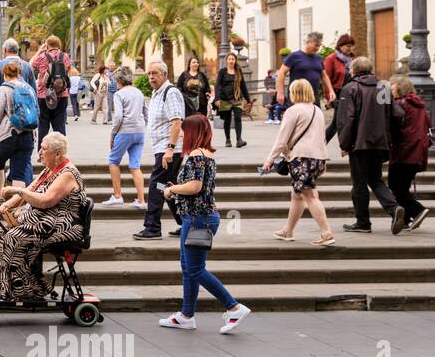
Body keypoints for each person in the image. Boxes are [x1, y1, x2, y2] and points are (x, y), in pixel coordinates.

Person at [160, 114, 251, 333]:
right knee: (188, 268)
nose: (181, 134)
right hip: (197, 216)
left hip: (198, 218)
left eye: (184, 131)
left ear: (193, 132)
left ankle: (234, 307)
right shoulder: (207, 154)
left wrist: (172, 189)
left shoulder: (196, 155)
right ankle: (186, 315)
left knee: (195, 270)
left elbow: (195, 186)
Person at [0, 131, 85, 305]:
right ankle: (31, 285)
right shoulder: (49, 170)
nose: (40, 153)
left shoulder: (67, 173)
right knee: (3, 233)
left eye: (43, 149)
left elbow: (45, 201)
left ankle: (7, 287)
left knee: (13, 237)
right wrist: (5, 206)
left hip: (63, 225)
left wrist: (18, 190)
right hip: (45, 222)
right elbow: (30, 189)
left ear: (57, 154)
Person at [335, 56, 404, 235]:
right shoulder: (382, 87)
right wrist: (392, 139)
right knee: (375, 179)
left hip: (359, 143)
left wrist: (344, 143)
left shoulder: (350, 88)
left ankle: (363, 222)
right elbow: (395, 114)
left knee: (359, 183)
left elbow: (347, 119)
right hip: (380, 142)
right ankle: (394, 207)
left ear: (354, 71)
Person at [263, 78, 334, 246]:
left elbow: (282, 139)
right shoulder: (317, 110)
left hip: (302, 159)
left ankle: (326, 232)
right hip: (318, 158)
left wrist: (269, 160)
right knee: (297, 195)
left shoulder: (293, 111)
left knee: (309, 195)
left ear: (294, 92)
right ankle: (288, 231)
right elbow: (322, 137)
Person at [133, 61, 185, 240]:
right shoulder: (157, 93)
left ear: (164, 74)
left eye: (155, 73)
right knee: (168, 187)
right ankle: (187, 223)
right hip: (162, 150)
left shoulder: (171, 93)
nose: (151, 77)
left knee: (157, 186)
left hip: (169, 151)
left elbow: (177, 121)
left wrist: (169, 149)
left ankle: (153, 227)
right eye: (149, 74)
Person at [0, 58, 37, 196]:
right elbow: (35, 111)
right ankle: (17, 204)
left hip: (7, 135)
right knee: (19, 173)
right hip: (27, 135)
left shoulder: (4, 88)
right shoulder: (29, 88)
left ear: (5, 74)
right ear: (19, 73)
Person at [389, 75, 431, 231]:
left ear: (400, 89)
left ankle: (418, 209)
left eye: (392, 88)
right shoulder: (420, 106)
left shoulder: (400, 104)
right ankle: (405, 219)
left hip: (403, 152)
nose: (390, 91)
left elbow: (394, 127)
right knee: (403, 186)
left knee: (394, 185)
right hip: (418, 153)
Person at [105, 68, 147, 208]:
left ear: (119, 81)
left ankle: (117, 195)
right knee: (135, 165)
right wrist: (142, 125)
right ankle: (141, 200)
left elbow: (118, 117)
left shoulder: (119, 94)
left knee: (113, 161)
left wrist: (113, 134)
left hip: (125, 131)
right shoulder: (139, 92)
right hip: (139, 131)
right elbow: (145, 112)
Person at [32, 35, 72, 147]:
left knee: (43, 125)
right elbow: (68, 69)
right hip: (61, 94)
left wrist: (40, 50)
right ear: (58, 45)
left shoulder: (41, 56)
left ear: (47, 45)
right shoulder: (65, 56)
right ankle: (61, 152)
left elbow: (31, 65)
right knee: (60, 126)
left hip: (44, 95)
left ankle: (42, 152)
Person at [277, 31, 334, 110]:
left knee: (314, 119)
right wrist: (280, 93)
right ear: (309, 42)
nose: (317, 48)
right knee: (296, 119)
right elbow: (281, 73)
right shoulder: (294, 56)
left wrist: (331, 90)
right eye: (316, 45)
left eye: (319, 46)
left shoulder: (319, 58)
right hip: (297, 96)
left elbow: (324, 76)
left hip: (313, 96)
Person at [0, 38, 37, 116]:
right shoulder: (27, 66)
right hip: (25, 112)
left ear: (5, 50)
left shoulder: (0, 65)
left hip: (5, 112)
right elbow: (33, 90)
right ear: (17, 50)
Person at [323, 34, 356, 144]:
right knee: (337, 123)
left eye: (352, 46)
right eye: (347, 46)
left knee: (345, 122)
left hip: (352, 94)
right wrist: (329, 98)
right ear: (340, 46)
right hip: (338, 94)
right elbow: (325, 78)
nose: (350, 48)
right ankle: (320, 146)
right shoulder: (331, 59)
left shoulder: (353, 59)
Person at [214, 52, 251, 148]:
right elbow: (218, 85)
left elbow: (243, 86)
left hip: (237, 98)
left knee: (238, 118)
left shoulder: (238, 71)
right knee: (227, 120)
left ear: (235, 61)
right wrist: (217, 98)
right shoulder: (222, 71)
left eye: (233, 59)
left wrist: (248, 99)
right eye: (229, 59)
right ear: (226, 61)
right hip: (225, 99)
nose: (231, 61)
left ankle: (239, 140)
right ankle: (228, 140)